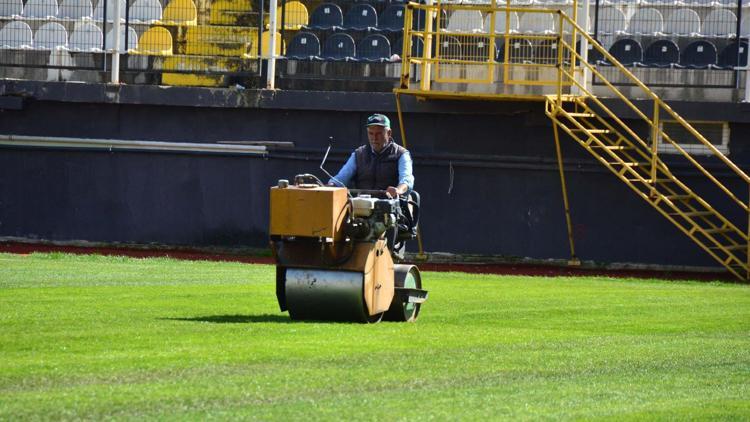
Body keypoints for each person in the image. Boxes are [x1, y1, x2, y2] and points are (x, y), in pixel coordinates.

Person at [328, 113, 414, 198]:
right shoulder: (358, 154)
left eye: (379, 133)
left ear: (389, 133)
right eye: (371, 133)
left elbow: (406, 180)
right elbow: (341, 178)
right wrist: (329, 186)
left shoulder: (401, 154)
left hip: (392, 205)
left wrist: (398, 190)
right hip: (361, 206)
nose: (374, 138)